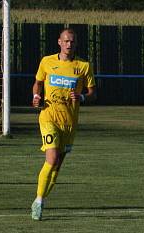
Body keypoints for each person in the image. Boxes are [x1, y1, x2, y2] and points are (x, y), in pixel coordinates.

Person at [30, 28, 96, 221]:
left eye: (72, 42)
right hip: (48, 117)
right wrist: (36, 95)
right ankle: (39, 201)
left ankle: (41, 198)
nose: (69, 45)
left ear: (76, 44)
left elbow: (93, 92)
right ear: (59, 42)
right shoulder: (47, 61)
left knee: (57, 165)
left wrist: (82, 96)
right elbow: (37, 83)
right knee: (51, 158)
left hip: (69, 123)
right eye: (66, 41)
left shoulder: (83, 66)